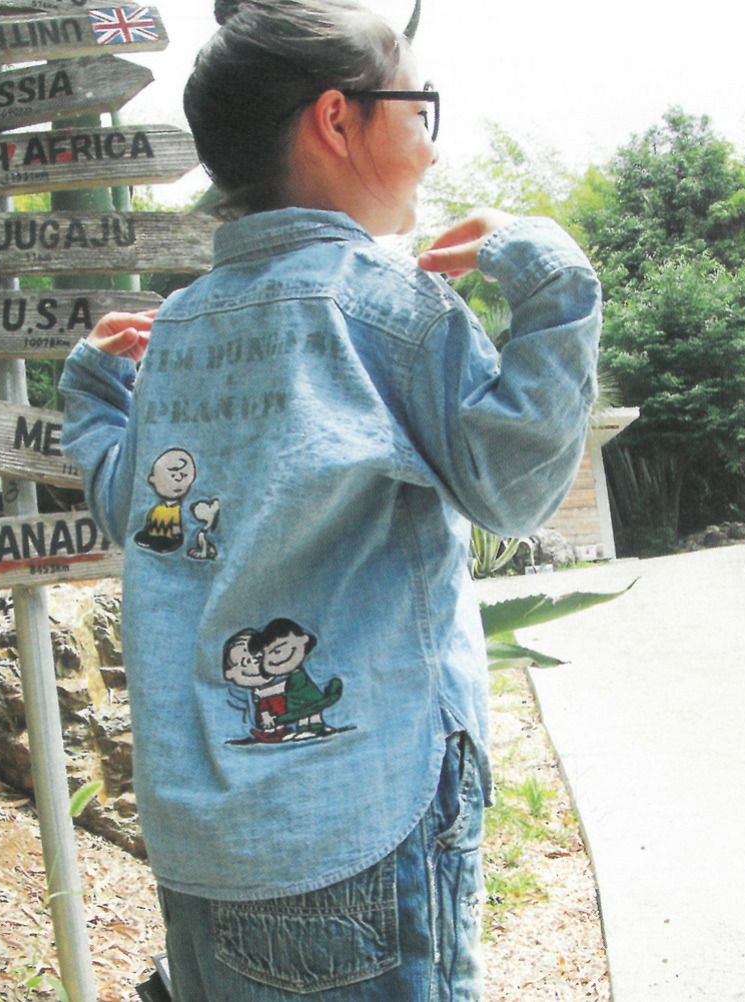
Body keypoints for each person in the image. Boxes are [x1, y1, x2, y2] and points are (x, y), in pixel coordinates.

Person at [60, 0, 602, 997]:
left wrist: (93, 391)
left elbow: (136, 511)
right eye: (418, 108)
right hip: (363, 822)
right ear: (337, 120)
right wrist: (551, 278)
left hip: (200, 850)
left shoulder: (178, 333)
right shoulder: (387, 310)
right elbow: (516, 487)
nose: (432, 146)